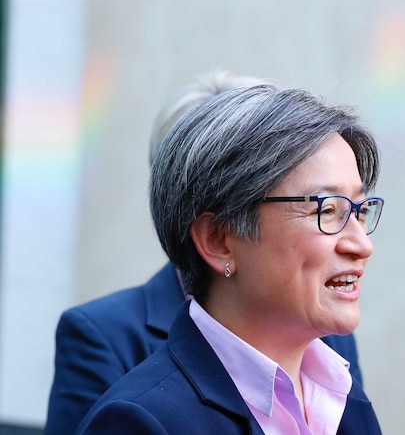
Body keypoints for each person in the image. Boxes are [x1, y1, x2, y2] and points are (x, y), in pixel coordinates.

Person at [45, 71, 365, 435]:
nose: (361, 244)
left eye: (361, 210)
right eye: (325, 210)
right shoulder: (138, 417)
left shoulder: (334, 379)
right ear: (217, 238)